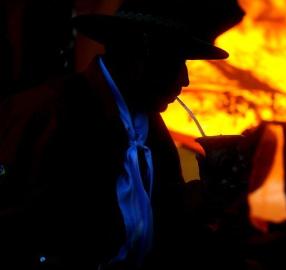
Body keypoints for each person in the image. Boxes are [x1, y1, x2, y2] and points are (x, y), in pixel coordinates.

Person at [0, 0, 245, 269]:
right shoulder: (48, 113)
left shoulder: (151, 126)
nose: (185, 79)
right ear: (144, 51)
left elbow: (165, 220)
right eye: (178, 61)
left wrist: (210, 193)